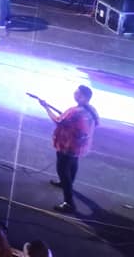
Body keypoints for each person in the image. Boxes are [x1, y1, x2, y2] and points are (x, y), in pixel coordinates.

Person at [40, 84, 99, 212]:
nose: (75, 94)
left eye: (77, 93)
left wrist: (46, 107)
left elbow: (58, 120)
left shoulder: (74, 111)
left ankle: (69, 202)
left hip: (68, 144)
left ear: (84, 97)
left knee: (62, 170)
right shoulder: (91, 109)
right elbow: (94, 123)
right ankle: (67, 183)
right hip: (81, 144)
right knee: (73, 163)